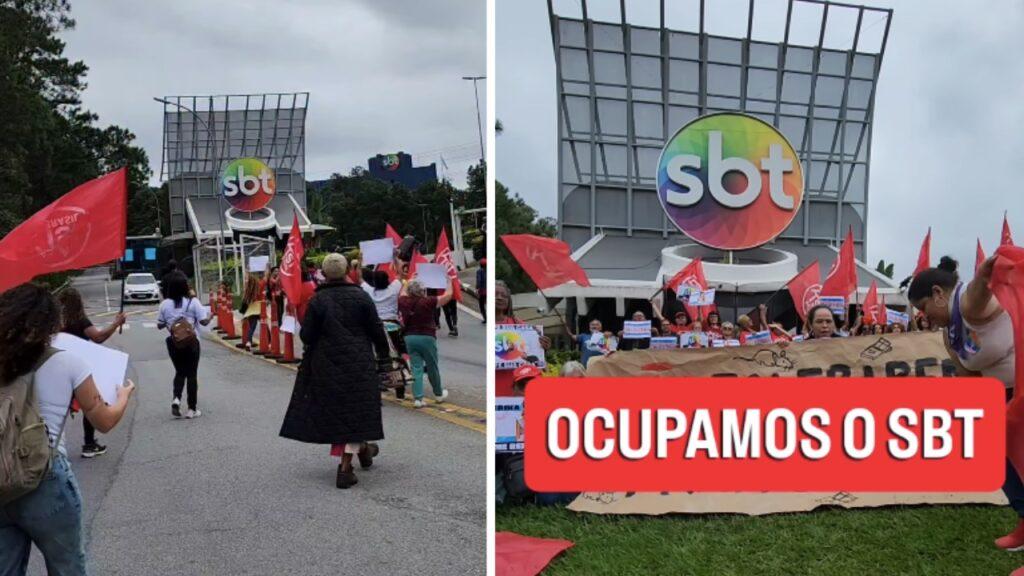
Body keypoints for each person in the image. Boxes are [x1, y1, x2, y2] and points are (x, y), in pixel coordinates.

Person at [0, 283, 135, 574]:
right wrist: (123, 396)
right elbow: (105, 421)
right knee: (68, 567)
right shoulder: (68, 361)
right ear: (51, 321)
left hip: (2, 475)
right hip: (46, 477)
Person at [908, 255, 1023, 552]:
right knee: (997, 459)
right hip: (1002, 397)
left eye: (923, 308)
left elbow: (979, 289)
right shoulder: (949, 333)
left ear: (938, 293)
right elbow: (967, 375)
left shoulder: (968, 305)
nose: (924, 316)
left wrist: (987, 272)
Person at [280, 253, 390, 489]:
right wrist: (385, 357)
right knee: (356, 410)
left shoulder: (318, 301)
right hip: (360, 362)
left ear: (325, 274)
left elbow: (307, 336)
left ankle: (364, 451)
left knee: (342, 412)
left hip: (326, 364)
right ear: (346, 272)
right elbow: (376, 330)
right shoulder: (361, 297)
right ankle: (345, 468)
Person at [57, 288, 127, 458]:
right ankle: (89, 444)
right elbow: (98, 337)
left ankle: (53, 444)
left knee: (58, 408)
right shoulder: (80, 321)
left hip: (59, 368)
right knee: (91, 405)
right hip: (78, 371)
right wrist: (116, 323)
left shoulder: (56, 324)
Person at [156, 271, 210, 419]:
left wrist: (171, 322)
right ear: (186, 287)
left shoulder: (165, 304)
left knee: (180, 372)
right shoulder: (193, 302)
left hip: (174, 343)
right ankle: (192, 409)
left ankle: (176, 399)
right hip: (192, 343)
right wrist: (212, 315)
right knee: (192, 374)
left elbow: (159, 325)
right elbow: (203, 321)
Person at [399, 278, 454, 408]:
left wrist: (410, 280)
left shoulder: (403, 301)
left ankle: (418, 399)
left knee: (416, 367)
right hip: (427, 337)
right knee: (432, 366)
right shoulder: (429, 301)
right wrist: (449, 283)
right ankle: (438, 394)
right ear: (423, 291)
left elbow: (403, 292)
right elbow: (448, 296)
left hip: (410, 337)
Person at [494, 280, 551, 396]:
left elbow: (535, 358)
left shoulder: (520, 326)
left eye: (504, 296)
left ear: (509, 301)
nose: (499, 298)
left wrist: (543, 347)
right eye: (495, 294)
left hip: (512, 388)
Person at [239, 273, 263, 351]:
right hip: (257, 309)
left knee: (251, 326)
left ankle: (250, 341)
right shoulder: (257, 289)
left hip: (249, 310)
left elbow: (244, 301)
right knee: (255, 326)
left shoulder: (247, 291)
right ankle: (249, 342)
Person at [477, 258, 487, 323]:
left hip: (482, 291)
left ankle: (485, 318)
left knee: (481, 305)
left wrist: (478, 288)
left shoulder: (479, 271)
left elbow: (479, 281)